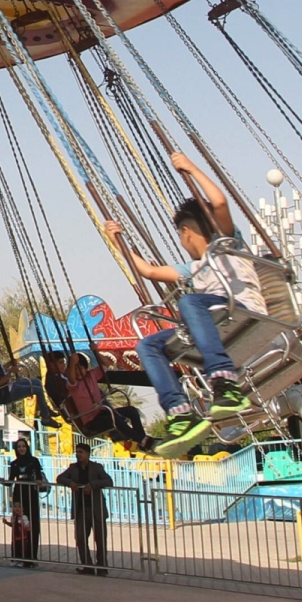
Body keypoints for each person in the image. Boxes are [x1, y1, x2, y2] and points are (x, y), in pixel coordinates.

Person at [115, 152, 264, 458]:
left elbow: (219, 203)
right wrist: (121, 242)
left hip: (240, 310)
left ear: (186, 231)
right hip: (214, 322)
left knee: (190, 302)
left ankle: (224, 384)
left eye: (181, 235)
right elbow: (150, 271)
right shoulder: (193, 269)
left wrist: (191, 168)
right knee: (148, 346)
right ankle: (179, 411)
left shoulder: (226, 242)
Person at [55, 441, 113, 575]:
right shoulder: (73, 468)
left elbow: (108, 481)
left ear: (88, 453)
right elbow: (60, 478)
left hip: (96, 509)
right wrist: (70, 483)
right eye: (77, 452)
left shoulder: (97, 468)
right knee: (80, 538)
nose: (78, 454)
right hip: (81, 509)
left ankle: (102, 567)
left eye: (81, 452)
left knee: (100, 539)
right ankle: (87, 565)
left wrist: (93, 484)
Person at [6, 432, 46, 567]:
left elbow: (39, 476)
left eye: (23, 446)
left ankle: (31, 558)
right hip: (19, 494)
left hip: (31, 494)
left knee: (32, 526)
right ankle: (18, 557)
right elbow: (11, 480)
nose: (21, 448)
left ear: (27, 447)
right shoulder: (14, 464)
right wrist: (2, 481)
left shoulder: (34, 461)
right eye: (19, 447)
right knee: (19, 526)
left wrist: (39, 481)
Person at [0, 337, 44, 407]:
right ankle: (45, 414)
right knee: (38, 390)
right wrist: (11, 372)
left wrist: (9, 364)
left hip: (11, 386)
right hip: (7, 392)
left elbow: (0, 370)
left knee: (37, 381)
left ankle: (42, 405)